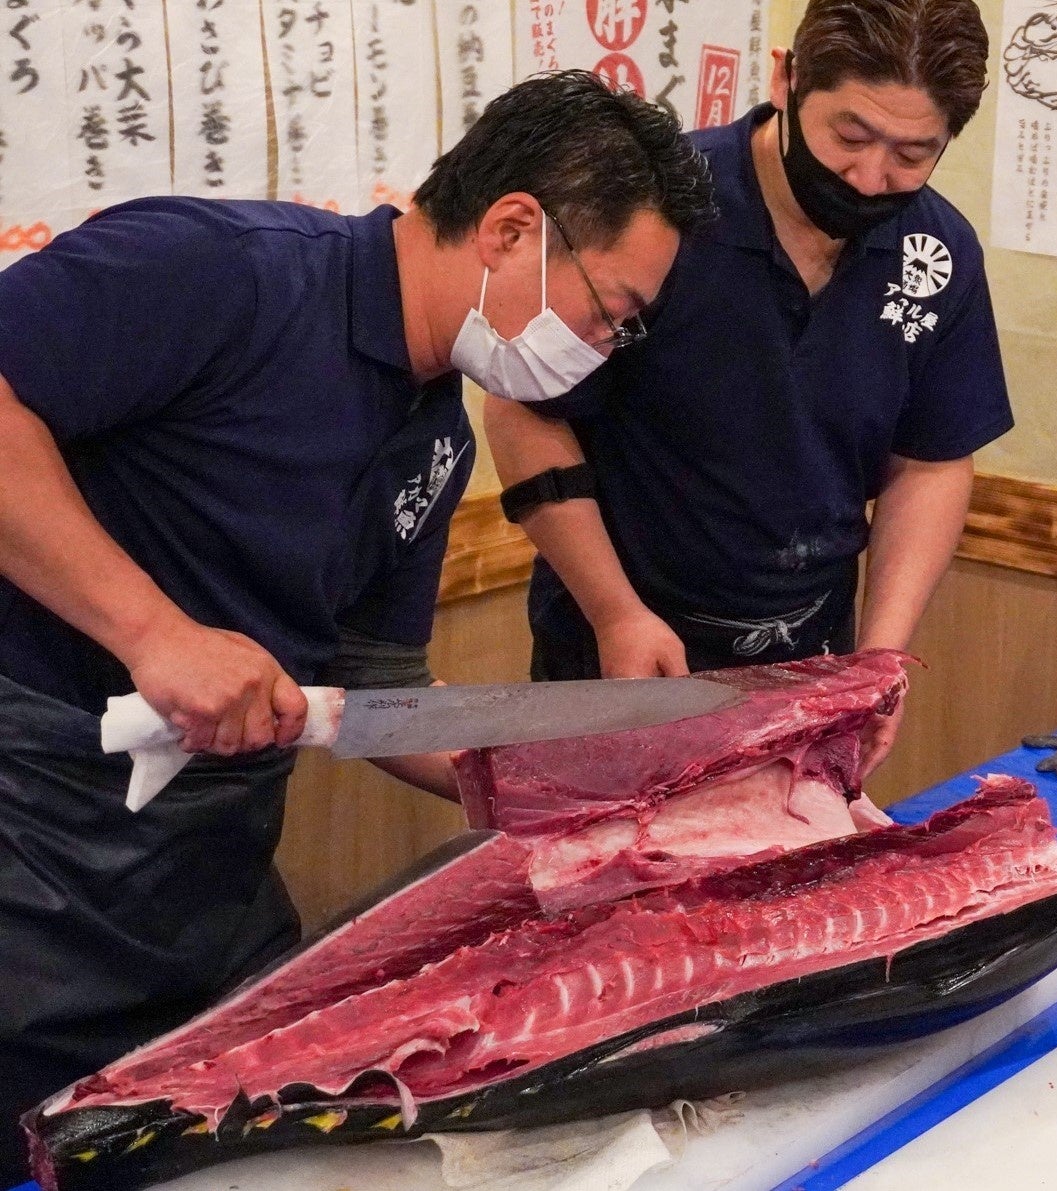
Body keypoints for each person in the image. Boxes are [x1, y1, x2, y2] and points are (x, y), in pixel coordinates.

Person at [0, 71, 712, 1179]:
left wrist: (570, 778)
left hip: (209, 867)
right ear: (513, 227)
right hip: (30, 834)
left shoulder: (434, 435)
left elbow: (373, 679)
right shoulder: (219, 273)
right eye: (607, 314)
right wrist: (153, 631)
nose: (599, 350)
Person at [486, 0, 1012, 780]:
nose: (871, 177)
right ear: (785, 78)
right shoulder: (658, 207)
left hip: (807, 663)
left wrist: (880, 653)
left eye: (913, 152)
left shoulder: (937, 250)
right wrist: (614, 612)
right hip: (620, 650)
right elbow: (522, 410)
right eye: (850, 136)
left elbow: (930, 459)